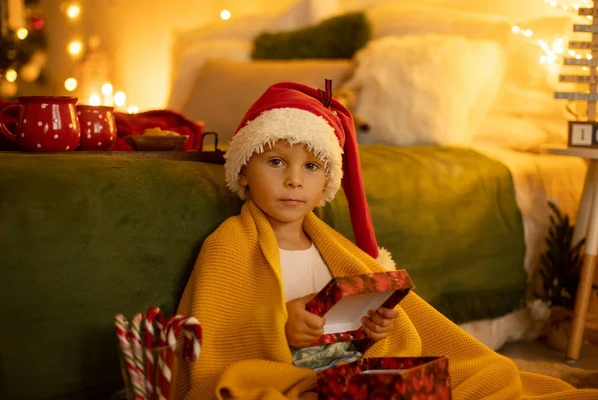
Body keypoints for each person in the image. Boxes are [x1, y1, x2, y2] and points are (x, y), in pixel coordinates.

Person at [171, 81, 598, 400]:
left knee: (486, 375)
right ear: (243, 169)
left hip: (352, 373)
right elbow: (214, 343)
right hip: (289, 375)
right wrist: (278, 326)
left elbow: (364, 333)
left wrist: (374, 329)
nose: (294, 179)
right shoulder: (229, 245)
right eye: (276, 161)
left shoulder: (333, 248)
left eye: (312, 167)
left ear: (327, 184)